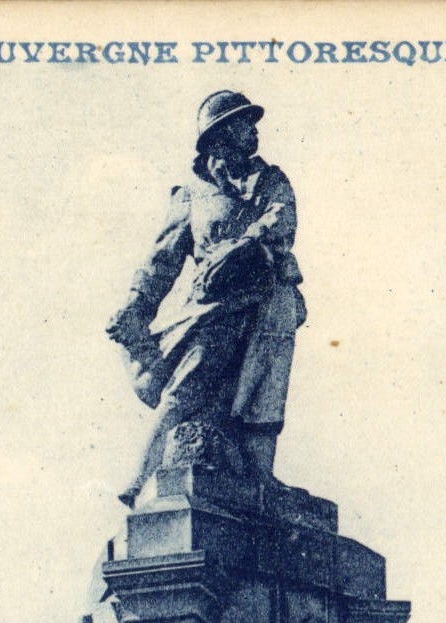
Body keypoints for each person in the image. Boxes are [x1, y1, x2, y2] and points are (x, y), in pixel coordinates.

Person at [107, 90, 306, 506]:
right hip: (214, 310)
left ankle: (260, 476)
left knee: (263, 397)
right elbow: (161, 261)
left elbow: (281, 217)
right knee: (188, 384)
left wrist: (247, 244)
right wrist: (134, 306)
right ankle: (140, 478)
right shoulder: (191, 195)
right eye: (243, 123)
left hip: (266, 305)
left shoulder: (270, 181)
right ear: (221, 134)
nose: (253, 131)